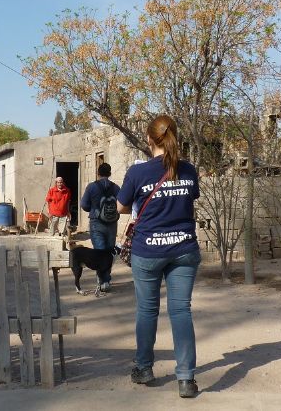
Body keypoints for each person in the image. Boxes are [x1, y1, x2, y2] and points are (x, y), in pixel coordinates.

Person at [116, 115, 201, 399]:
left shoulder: (138, 173)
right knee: (181, 311)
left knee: (147, 310)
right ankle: (186, 379)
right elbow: (189, 200)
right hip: (184, 250)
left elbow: (120, 207)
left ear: (149, 139)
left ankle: (143, 368)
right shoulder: (188, 170)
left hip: (149, 250)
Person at [80, 163, 120, 291]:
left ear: (98, 173)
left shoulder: (91, 187)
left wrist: (94, 208)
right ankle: (106, 280)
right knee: (108, 252)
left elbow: (84, 205)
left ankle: (101, 280)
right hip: (112, 224)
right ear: (110, 173)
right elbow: (122, 204)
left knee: (99, 251)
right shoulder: (116, 187)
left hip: (96, 222)